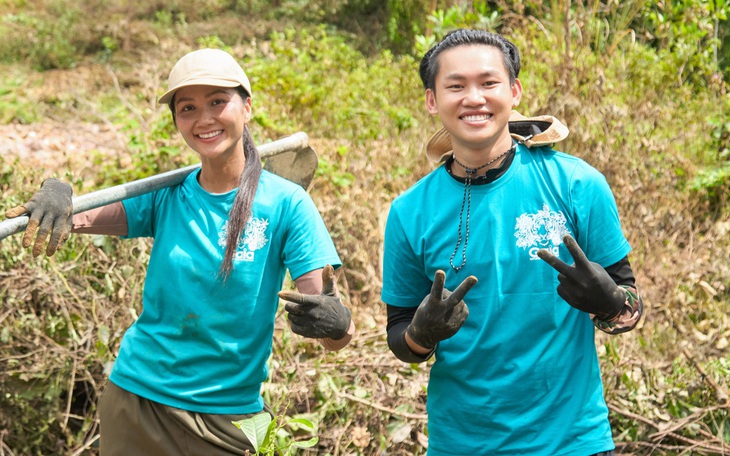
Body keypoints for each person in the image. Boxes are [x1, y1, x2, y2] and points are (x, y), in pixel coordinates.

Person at [4, 48, 355, 456]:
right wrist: (60, 195)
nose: (204, 119)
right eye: (188, 107)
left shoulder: (287, 205)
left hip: (228, 421)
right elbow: (77, 217)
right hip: (136, 404)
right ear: (176, 121)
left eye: (217, 102)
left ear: (247, 107)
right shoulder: (165, 196)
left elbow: (331, 330)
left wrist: (337, 322)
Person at [381, 29, 643, 456]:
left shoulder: (577, 184)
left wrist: (610, 301)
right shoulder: (409, 212)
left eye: (488, 83)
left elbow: (631, 311)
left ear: (514, 91)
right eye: (455, 86)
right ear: (432, 100)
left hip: (573, 441)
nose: (474, 98)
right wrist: (421, 334)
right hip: (461, 443)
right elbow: (400, 335)